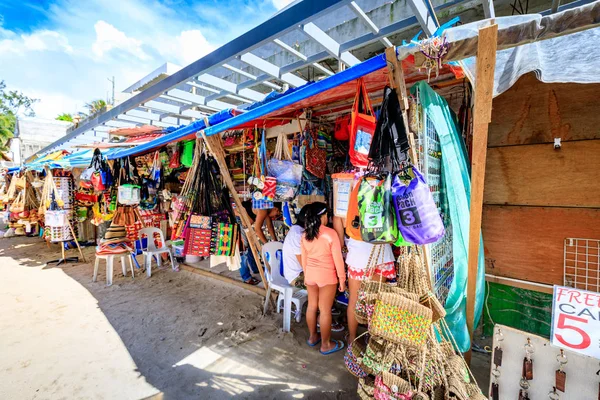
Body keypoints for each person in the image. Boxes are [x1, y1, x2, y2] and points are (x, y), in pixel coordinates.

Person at [301, 202, 346, 355]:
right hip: (327, 276)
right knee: (325, 310)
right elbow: (338, 260)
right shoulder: (330, 234)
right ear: (323, 216)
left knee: (312, 306)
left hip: (311, 275)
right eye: (327, 215)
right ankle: (326, 345)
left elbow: (305, 259)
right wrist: (342, 279)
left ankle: (313, 337)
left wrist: (307, 275)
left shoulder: (305, 234)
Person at [345, 238, 395, 344]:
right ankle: (373, 341)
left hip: (358, 255)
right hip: (382, 254)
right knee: (376, 301)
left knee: (354, 299)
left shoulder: (344, 219)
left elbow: (340, 241)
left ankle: (352, 339)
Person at [282, 205, 309, 288]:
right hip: (297, 277)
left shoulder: (297, 230)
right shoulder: (297, 235)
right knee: (327, 283)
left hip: (299, 272)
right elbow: (304, 265)